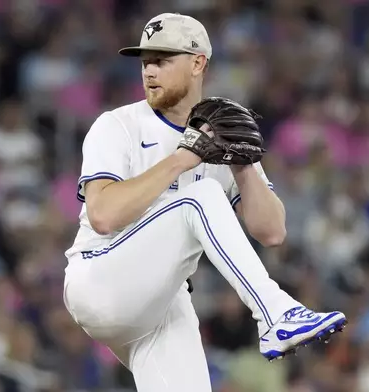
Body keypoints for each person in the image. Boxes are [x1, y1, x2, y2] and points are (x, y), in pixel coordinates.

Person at [62, 13, 347, 392]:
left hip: (161, 299)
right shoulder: (118, 125)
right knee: (198, 197)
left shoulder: (220, 130)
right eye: (146, 61)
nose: (149, 70)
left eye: (162, 60)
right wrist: (183, 158)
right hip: (100, 277)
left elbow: (272, 231)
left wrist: (244, 165)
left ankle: (277, 314)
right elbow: (102, 215)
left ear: (198, 63)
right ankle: (275, 313)